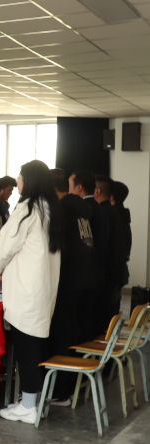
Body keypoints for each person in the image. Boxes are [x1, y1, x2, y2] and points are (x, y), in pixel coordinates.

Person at [0, 161, 62, 425]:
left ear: (29, 180)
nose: (18, 181)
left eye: (20, 177)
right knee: (35, 347)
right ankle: (32, 402)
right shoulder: (50, 208)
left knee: (27, 350)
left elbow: (6, 245)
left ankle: (29, 407)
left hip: (26, 291)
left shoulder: (27, 208)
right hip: (42, 290)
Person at [47, 168, 97, 403]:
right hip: (83, 279)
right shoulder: (80, 208)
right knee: (72, 330)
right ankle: (72, 384)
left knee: (61, 334)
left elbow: (57, 248)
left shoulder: (63, 210)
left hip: (67, 280)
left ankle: (60, 391)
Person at [69, 169, 109, 333]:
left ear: (79, 187)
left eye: (69, 184)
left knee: (83, 318)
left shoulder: (84, 209)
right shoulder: (97, 207)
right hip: (95, 272)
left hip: (86, 273)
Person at [95, 175, 126, 318]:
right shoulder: (115, 212)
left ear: (98, 191)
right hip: (115, 273)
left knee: (103, 317)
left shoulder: (103, 213)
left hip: (107, 276)